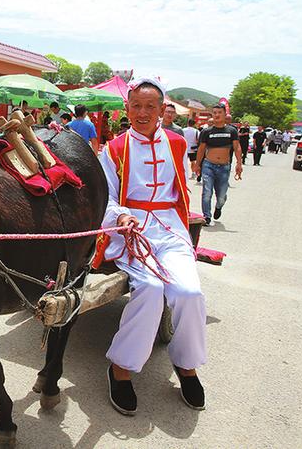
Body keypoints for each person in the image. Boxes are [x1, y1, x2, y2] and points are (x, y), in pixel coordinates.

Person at [96, 76, 206, 415]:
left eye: (150, 107)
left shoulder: (175, 144)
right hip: (132, 229)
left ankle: (186, 365)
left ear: (162, 110)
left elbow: (180, 193)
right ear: (127, 108)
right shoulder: (113, 148)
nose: (142, 113)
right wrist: (121, 216)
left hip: (170, 230)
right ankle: (120, 368)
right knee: (150, 288)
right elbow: (107, 198)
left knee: (189, 293)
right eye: (136, 106)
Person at [195, 104, 242, 225]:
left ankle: (219, 207)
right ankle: (207, 217)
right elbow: (201, 149)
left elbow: (237, 147)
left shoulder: (231, 130)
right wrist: (198, 164)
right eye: (214, 113)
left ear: (224, 114)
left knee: (221, 196)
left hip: (224, 167)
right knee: (207, 192)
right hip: (208, 165)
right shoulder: (206, 131)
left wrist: (239, 164)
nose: (216, 115)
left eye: (219, 112)